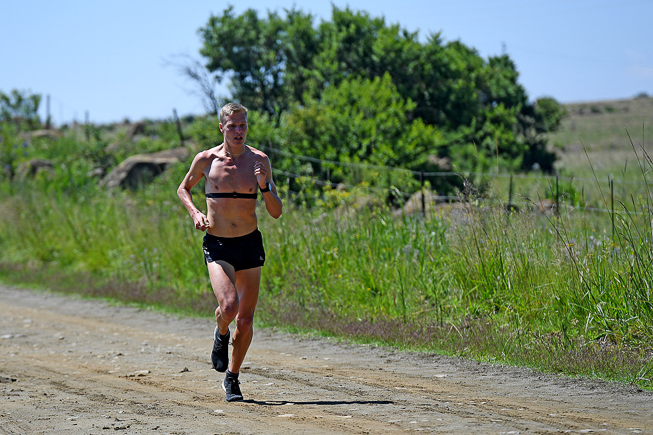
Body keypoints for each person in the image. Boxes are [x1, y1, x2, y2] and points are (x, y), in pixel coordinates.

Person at [177, 102, 282, 402]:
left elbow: (276, 211)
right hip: (218, 243)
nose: (238, 131)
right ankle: (220, 331)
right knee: (229, 307)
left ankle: (232, 378)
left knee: (246, 320)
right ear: (221, 127)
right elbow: (183, 189)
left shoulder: (259, 161)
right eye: (233, 125)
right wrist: (195, 213)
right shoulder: (206, 160)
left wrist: (264, 186)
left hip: (249, 243)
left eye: (243, 125)